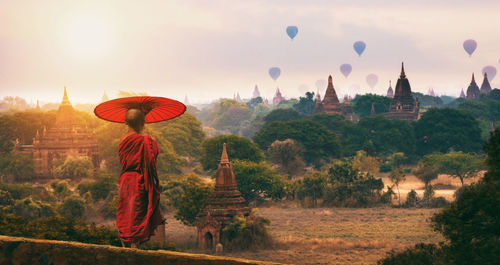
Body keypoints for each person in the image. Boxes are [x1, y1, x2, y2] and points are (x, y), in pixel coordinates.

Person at [116, 108, 164, 248]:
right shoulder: (144, 141)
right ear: (142, 124)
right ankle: (134, 247)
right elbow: (153, 153)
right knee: (137, 213)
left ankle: (125, 245)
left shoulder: (123, 139)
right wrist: (149, 141)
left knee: (125, 211)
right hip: (138, 180)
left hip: (124, 180)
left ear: (126, 122)